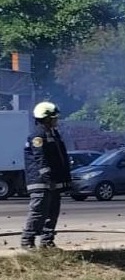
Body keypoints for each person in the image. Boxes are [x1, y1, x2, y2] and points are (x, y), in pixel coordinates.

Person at [20, 102, 72, 249]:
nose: (57, 120)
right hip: (41, 182)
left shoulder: (54, 135)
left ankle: (47, 242)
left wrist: (64, 180)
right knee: (38, 212)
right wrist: (48, 178)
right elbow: (40, 159)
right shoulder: (37, 136)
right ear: (47, 119)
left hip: (52, 182)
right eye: (54, 118)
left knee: (52, 212)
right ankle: (27, 241)